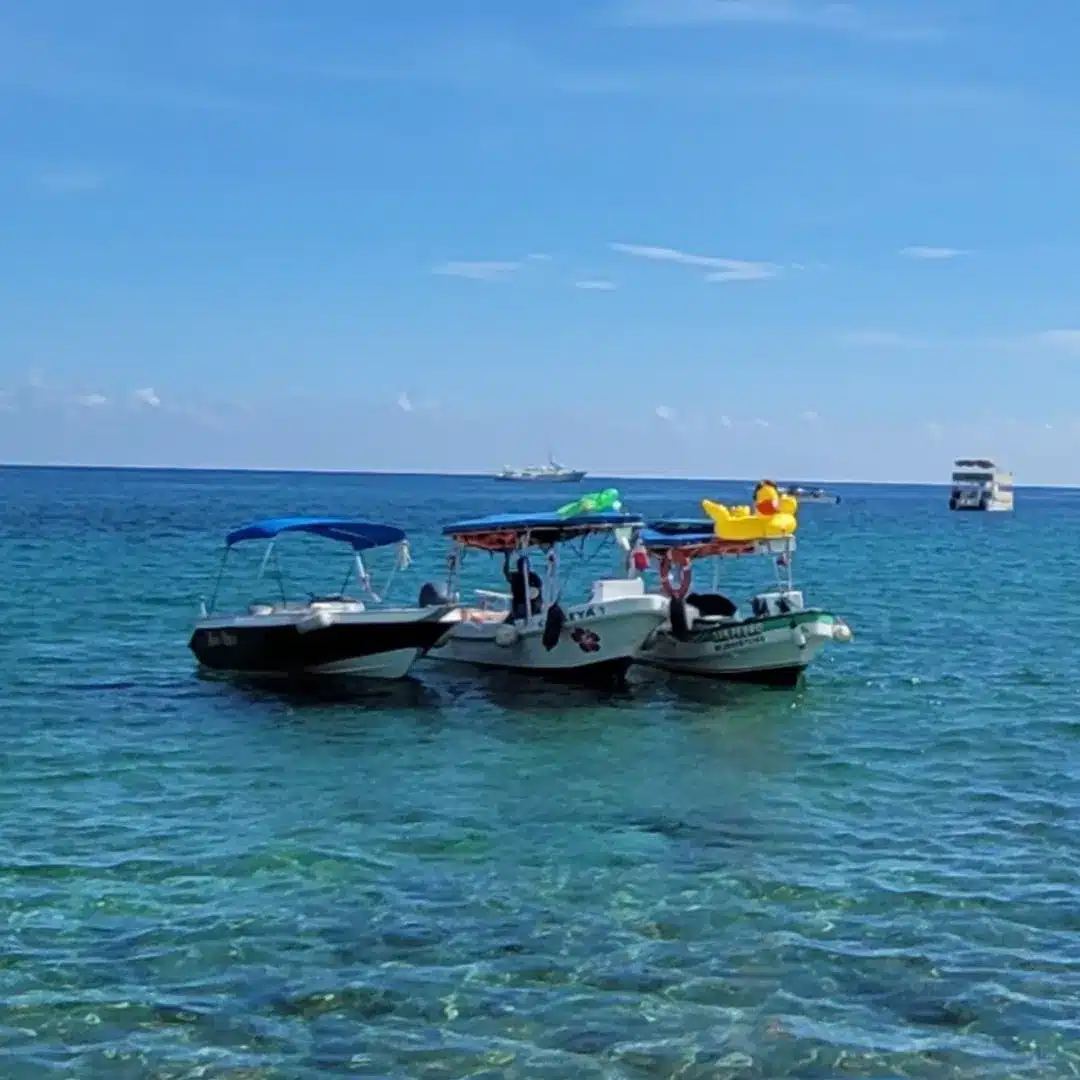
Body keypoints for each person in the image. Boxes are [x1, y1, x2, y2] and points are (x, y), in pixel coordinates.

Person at [503, 553, 543, 623]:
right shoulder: (516, 577)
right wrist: (507, 558)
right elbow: (506, 572)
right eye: (520, 566)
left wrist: (507, 558)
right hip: (519, 607)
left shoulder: (533, 577)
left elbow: (538, 593)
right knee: (508, 622)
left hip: (530, 607)